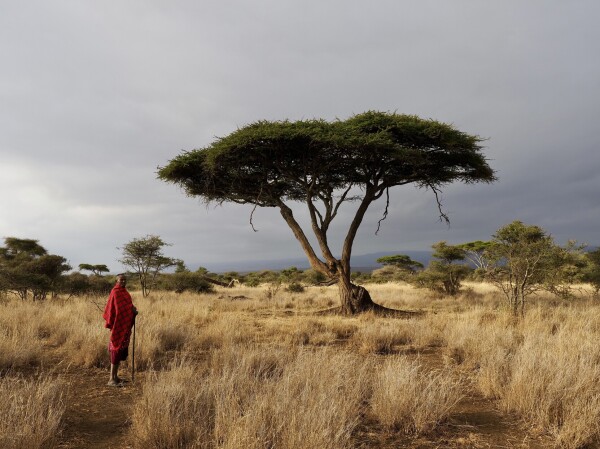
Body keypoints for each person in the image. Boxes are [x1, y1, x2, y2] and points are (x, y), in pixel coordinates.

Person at [102, 273, 137, 386]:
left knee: (120, 349)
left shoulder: (125, 292)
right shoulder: (115, 292)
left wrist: (133, 311)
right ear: (116, 281)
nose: (123, 282)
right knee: (115, 350)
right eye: (121, 280)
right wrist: (130, 311)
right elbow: (116, 310)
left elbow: (127, 306)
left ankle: (115, 377)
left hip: (125, 326)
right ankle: (111, 379)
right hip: (118, 326)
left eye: (124, 280)